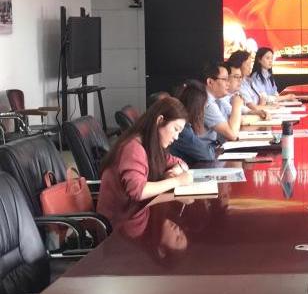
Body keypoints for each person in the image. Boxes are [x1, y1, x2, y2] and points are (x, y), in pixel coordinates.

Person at [97, 97, 193, 229]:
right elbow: (138, 191)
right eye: (176, 129)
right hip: (120, 226)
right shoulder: (133, 148)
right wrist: (177, 181)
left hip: (137, 216)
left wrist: (174, 171)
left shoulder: (152, 145)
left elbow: (181, 163)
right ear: (160, 121)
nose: (176, 137)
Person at [170, 80, 217, 164]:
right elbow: (208, 155)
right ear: (197, 107)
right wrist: (212, 147)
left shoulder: (185, 125)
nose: (204, 110)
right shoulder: (182, 129)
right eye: (204, 106)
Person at [202, 61, 242, 142]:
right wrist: (237, 105)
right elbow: (233, 135)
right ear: (210, 82)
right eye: (224, 79)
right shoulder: (207, 104)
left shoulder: (215, 100)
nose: (228, 84)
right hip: (208, 147)